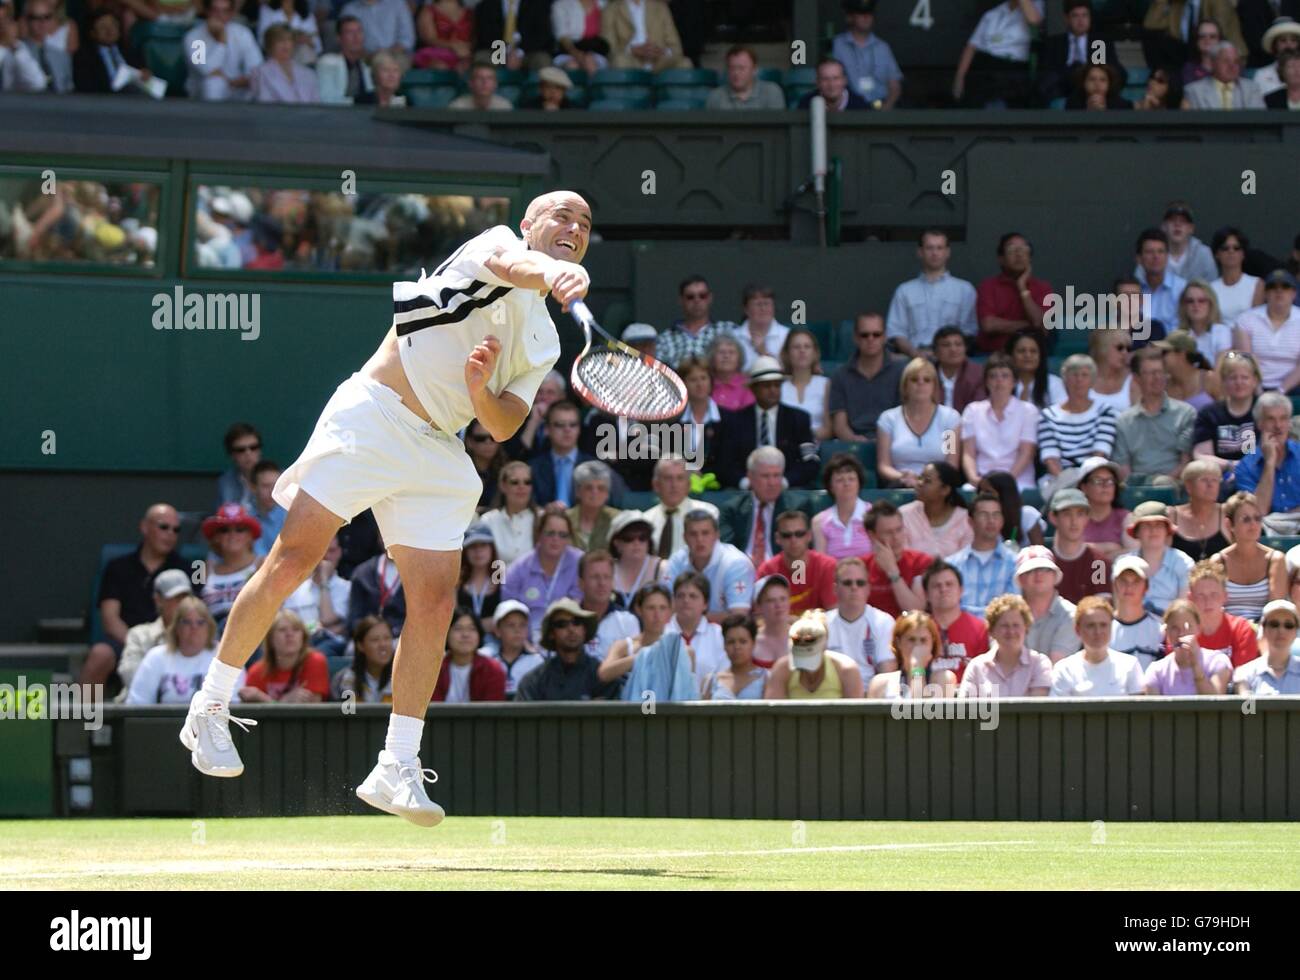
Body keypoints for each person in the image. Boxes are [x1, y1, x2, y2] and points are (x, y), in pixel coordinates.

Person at [178, 190, 594, 829]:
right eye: (561, 216)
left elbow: (507, 422)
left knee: (433, 602)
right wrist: (557, 272)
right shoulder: (493, 248)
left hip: (439, 449)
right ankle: (208, 707)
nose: (573, 227)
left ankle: (396, 763)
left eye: (584, 224)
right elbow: (520, 269)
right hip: (373, 416)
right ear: (527, 225)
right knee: (293, 560)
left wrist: (481, 394)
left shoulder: (541, 338)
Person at [81, 502, 189, 687]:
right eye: (164, 527)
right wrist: (138, 644)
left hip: (173, 640)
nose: (170, 534)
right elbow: (110, 619)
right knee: (100, 654)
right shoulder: (117, 566)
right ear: (144, 527)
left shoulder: (190, 567)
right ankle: (84, 716)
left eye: (176, 529)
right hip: (125, 640)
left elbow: (194, 610)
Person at [715, 359, 817, 490]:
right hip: (746, 491)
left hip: (788, 489)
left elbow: (810, 461)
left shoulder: (798, 418)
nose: (773, 390)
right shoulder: (735, 421)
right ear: (753, 389)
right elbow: (724, 463)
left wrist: (785, 481)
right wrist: (745, 483)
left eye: (777, 385)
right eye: (766, 386)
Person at [1111, 346, 1197, 486]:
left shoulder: (1185, 413)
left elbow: (1185, 462)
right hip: (1138, 490)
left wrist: (1160, 485)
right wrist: (1139, 489)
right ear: (1136, 378)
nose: (1157, 378)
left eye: (1160, 372)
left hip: (1175, 488)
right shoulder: (1124, 421)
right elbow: (1123, 466)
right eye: (1150, 373)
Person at [1037, 354, 1118, 500]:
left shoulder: (1105, 412)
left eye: (1084, 375)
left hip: (1094, 477)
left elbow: (1100, 454)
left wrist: (1085, 484)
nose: (1079, 380)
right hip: (1060, 479)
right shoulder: (1048, 415)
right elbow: (1051, 459)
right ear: (1064, 380)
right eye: (1074, 375)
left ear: (1092, 381)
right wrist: (1070, 485)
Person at [885, 229, 978, 355]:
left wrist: (945, 353)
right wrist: (915, 354)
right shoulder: (904, 291)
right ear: (920, 252)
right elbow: (896, 332)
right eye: (929, 248)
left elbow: (970, 331)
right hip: (912, 359)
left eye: (939, 248)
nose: (935, 253)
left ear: (947, 252)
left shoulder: (965, 290)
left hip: (952, 360)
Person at [128, 597, 234, 705]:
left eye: (200, 622)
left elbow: (234, 703)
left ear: (210, 626)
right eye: (187, 622)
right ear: (176, 627)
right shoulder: (156, 657)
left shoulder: (224, 657)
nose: (194, 627)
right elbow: (137, 703)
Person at [876, 357, 961, 489]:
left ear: (934, 386)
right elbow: (884, 466)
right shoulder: (888, 419)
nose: (921, 383)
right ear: (905, 386)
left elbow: (951, 464)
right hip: (901, 483)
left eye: (927, 380)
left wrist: (927, 481)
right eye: (914, 379)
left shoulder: (949, 418)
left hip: (938, 486)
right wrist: (902, 477)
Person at [501, 509, 584, 642]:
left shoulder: (580, 563)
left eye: (563, 535)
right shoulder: (517, 569)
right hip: (525, 640)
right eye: (550, 533)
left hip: (567, 637)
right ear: (539, 534)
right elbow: (508, 614)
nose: (556, 539)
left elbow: (580, 605)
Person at [515, 599, 620, 701]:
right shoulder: (534, 681)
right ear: (551, 633)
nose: (571, 629)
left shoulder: (602, 677)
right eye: (562, 624)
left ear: (584, 630)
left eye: (577, 622)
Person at [960, 353, 1038, 491]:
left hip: (1018, 480)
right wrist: (974, 479)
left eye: (1005, 375)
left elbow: (1026, 453)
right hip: (982, 480)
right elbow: (968, 453)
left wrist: (1006, 481)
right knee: (966, 491)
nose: (999, 380)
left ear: (1014, 381)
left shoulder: (1028, 411)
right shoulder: (972, 410)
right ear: (986, 381)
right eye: (993, 376)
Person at [663, 509, 755, 623]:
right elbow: (664, 607)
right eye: (693, 534)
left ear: (717, 535)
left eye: (705, 533)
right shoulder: (677, 561)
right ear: (685, 537)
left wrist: (691, 619)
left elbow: (739, 617)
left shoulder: (736, 563)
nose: (699, 540)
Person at [115, 569, 193, 700]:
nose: (181, 605)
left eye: (185, 598)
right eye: (175, 598)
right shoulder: (138, 635)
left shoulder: (202, 634)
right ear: (158, 600)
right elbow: (131, 676)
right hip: (142, 713)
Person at [1211, 491, 1289, 620]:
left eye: (1257, 518)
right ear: (1229, 525)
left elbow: (1275, 609)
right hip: (1229, 631)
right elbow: (1215, 608)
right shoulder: (1218, 561)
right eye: (1246, 519)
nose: (1253, 524)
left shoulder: (1276, 559)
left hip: (1264, 631)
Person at [953, 0, 1045, 109]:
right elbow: (971, 46)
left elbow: (1034, 20)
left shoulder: (1038, 5)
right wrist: (959, 78)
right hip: (986, 65)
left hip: (1013, 70)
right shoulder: (993, 14)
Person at [829, 312, 906, 442]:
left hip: (893, 441)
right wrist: (855, 440)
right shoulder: (840, 375)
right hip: (853, 444)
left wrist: (884, 441)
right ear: (855, 338)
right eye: (864, 335)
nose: (871, 339)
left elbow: (906, 417)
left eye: (876, 334)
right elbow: (840, 425)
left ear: (885, 337)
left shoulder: (901, 371)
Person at [959, 594, 1052, 697]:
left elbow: (1039, 709)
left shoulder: (1039, 664)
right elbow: (965, 710)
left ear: (1026, 628)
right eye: (1004, 626)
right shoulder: (977, 667)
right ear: (992, 630)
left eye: (1016, 625)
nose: (1011, 631)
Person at [1049, 596, 1145, 696]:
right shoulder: (1063, 669)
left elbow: (1140, 708)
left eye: (1103, 625)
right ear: (1077, 630)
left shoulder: (1130, 665)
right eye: (1091, 625)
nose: (1098, 631)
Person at [1192, 350, 1261, 486]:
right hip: (1219, 479)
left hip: (1257, 477)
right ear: (1223, 381)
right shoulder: (1209, 413)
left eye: (1245, 377)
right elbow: (1201, 455)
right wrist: (1231, 465)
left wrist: (1242, 470)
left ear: (1255, 381)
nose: (1239, 382)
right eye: (1233, 378)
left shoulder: (1265, 411)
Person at [824, 556, 895, 685]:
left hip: (872, 695)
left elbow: (887, 675)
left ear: (868, 589)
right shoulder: (823, 624)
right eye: (847, 583)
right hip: (833, 693)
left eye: (860, 583)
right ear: (835, 589)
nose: (854, 587)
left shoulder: (883, 622)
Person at [975, 234, 1051, 354]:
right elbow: (988, 325)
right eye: (1012, 250)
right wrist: (1029, 326)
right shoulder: (988, 286)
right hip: (996, 355)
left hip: (1031, 355)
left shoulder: (1043, 288)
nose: (1019, 254)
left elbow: (1041, 326)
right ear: (1001, 259)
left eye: (1023, 249)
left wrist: (1022, 288)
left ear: (1030, 257)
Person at [1235, 391, 1300, 532]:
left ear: (1289, 423)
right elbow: (1258, 511)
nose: (1278, 426)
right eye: (1271, 419)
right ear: (1260, 424)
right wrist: (1270, 462)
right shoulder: (1246, 466)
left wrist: (1285, 518)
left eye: (1283, 419)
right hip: (1265, 533)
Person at [1038, 0, 1123, 105]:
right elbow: (1047, 73)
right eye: (1075, 16)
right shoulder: (1055, 42)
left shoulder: (1099, 42)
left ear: (1090, 18)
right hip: (1062, 87)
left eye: (1084, 15)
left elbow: (1107, 69)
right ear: (1067, 19)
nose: (1080, 20)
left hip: (1090, 88)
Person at [764, 610, 864, 699]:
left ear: (825, 644)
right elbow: (772, 716)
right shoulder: (781, 669)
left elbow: (855, 717)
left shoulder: (846, 670)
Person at [948, 493, 1020, 615]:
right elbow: (950, 611)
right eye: (983, 515)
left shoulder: (1015, 563)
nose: (991, 520)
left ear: (1002, 520)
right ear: (971, 521)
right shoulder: (952, 565)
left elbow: (1012, 609)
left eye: (996, 515)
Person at [756, 510, 838, 615]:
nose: (793, 540)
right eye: (787, 535)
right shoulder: (767, 570)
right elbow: (759, 616)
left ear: (809, 536)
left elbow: (834, 614)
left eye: (799, 534)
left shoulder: (827, 566)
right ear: (778, 538)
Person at [281, 533, 351, 655]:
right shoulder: (297, 589)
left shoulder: (346, 587)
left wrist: (324, 579)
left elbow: (327, 619)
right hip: (298, 643)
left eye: (331, 551)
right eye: (321, 552)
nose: (326, 557)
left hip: (331, 644)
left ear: (339, 552)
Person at [1144, 599, 1232, 693]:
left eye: (1188, 627)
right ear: (1167, 632)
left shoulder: (1217, 661)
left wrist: (1195, 665)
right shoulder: (1156, 671)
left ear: (1198, 629)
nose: (1181, 633)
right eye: (1174, 628)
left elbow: (1215, 703)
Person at [1121, 501, 1194, 615]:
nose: (1153, 530)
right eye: (1146, 526)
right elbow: (1120, 607)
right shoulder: (1123, 564)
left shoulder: (1184, 562)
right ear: (1137, 532)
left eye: (1159, 525)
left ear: (1167, 530)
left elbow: (1184, 609)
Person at [1233, 270, 1300, 394]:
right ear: (1265, 293)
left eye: (1285, 287)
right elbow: (1246, 360)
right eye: (1272, 287)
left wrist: (1280, 391)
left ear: (1293, 293)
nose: (1279, 291)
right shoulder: (1246, 319)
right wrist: (1258, 390)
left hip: (1293, 387)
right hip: (1252, 386)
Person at [861, 500, 932, 618]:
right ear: (872, 535)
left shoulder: (920, 562)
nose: (896, 538)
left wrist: (893, 572)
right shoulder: (861, 566)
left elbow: (915, 612)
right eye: (888, 532)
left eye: (899, 529)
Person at [239, 610, 329, 702]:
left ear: (303, 637)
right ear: (270, 639)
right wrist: (285, 701)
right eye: (282, 630)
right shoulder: (256, 672)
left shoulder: (315, 661)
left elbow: (314, 707)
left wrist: (265, 700)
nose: (290, 634)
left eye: (296, 629)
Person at [200, 503, 262, 635]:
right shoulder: (200, 566)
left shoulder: (263, 563)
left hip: (253, 634)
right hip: (212, 637)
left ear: (250, 536)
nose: (232, 535)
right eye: (224, 530)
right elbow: (192, 604)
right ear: (216, 537)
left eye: (239, 529)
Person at [597, 583, 675, 687]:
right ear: (639, 610)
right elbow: (604, 673)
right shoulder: (623, 646)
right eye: (651, 608)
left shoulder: (678, 648)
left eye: (662, 608)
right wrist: (641, 657)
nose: (657, 615)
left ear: (670, 612)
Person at [922, 561, 989, 681]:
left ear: (961, 590)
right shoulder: (918, 630)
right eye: (936, 585)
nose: (943, 589)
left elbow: (985, 675)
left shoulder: (980, 628)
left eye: (949, 584)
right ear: (926, 594)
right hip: (926, 694)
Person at [182, 0, 262, 101]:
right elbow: (207, 71)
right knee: (214, 82)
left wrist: (245, 79)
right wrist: (221, 41)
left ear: (232, 13)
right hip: (201, 94)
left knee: (258, 81)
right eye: (215, 10)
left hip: (236, 88)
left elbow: (256, 66)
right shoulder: (193, 37)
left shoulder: (242, 33)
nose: (220, 15)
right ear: (207, 11)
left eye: (225, 11)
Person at [866, 611, 956, 698]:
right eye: (911, 640)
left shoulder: (944, 680)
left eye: (923, 640)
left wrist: (917, 668)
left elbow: (919, 711)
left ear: (932, 643)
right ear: (898, 642)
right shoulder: (880, 684)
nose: (917, 646)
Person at [644, 455, 719, 560]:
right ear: (656, 485)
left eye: (680, 478)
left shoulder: (708, 513)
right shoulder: (645, 520)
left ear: (689, 485)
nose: (674, 485)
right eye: (668, 478)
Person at [1188, 559, 1259, 668]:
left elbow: (1243, 675)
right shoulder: (1183, 631)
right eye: (1200, 595)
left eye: (1214, 594)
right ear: (1191, 598)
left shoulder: (1241, 629)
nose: (1208, 601)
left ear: (1225, 596)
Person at [831, 0, 901, 108]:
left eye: (869, 14)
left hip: (879, 106)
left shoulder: (882, 47)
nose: (866, 18)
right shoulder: (838, 44)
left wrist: (886, 108)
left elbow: (894, 85)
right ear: (850, 17)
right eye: (861, 13)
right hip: (849, 108)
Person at [1017, 545, 1081, 662]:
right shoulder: (1007, 614)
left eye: (1045, 569)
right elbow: (1002, 658)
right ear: (1021, 579)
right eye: (1030, 570)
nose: (1038, 574)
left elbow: (1057, 664)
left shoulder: (1071, 614)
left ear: (1054, 575)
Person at [1048, 488, 1111, 603]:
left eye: (1080, 514)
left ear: (1087, 518)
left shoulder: (1098, 563)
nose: (1074, 521)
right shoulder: (1045, 562)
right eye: (1067, 514)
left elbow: (1102, 607)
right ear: (1053, 517)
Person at [656, 276, 734, 369]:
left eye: (702, 296)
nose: (697, 300)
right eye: (690, 297)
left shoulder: (728, 330)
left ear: (710, 298)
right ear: (681, 300)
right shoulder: (665, 339)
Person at [664, 571, 726, 686]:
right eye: (680, 595)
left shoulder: (719, 635)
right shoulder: (661, 633)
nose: (686, 600)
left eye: (693, 596)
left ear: (705, 604)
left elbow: (725, 678)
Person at [1143, 0, 1248, 68]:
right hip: (1189, 56)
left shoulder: (1218, 2)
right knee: (1153, 37)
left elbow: (1217, 35)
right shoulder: (1178, 4)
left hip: (1223, 54)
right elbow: (1151, 25)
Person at [576, 549, 639, 662]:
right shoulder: (568, 620)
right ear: (581, 583)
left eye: (606, 577)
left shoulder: (627, 621)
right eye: (595, 577)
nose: (602, 583)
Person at [431, 607, 506, 702]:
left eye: (472, 629)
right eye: (458, 628)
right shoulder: (434, 670)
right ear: (446, 633)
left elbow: (493, 712)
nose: (465, 634)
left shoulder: (493, 670)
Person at [899, 462, 974, 556]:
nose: (919, 483)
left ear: (945, 490)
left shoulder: (966, 519)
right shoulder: (904, 515)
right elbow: (904, 559)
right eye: (920, 478)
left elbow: (966, 562)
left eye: (927, 481)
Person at [72, 9, 151, 94]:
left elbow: (144, 76)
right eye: (102, 27)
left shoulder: (132, 52)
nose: (109, 30)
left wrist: (145, 76)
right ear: (93, 33)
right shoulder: (84, 57)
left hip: (134, 101)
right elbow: (85, 87)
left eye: (113, 25)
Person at [812, 452, 874, 560]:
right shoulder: (819, 521)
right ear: (831, 487)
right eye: (840, 480)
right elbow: (821, 564)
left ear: (859, 483)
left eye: (851, 479)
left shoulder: (874, 514)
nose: (846, 484)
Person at [1108, 554, 1165, 670]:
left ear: (1146, 586)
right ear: (1114, 584)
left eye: (1136, 581)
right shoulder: (1103, 628)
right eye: (1123, 580)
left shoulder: (1160, 629)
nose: (1129, 587)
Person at [1232, 598, 1300, 693]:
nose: (1281, 630)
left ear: (1295, 631)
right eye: (1274, 624)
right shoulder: (1245, 674)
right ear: (1263, 628)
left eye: (1288, 625)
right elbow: (1248, 707)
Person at [601, 0, 690, 71]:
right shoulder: (611, 9)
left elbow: (676, 48)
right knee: (620, 62)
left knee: (684, 63)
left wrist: (662, 51)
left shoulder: (660, 7)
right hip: (630, 61)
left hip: (659, 61)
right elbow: (609, 47)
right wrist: (632, 50)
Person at [481, 460, 539, 565]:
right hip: (498, 579)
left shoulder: (542, 518)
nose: (522, 487)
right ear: (503, 486)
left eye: (527, 482)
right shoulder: (488, 521)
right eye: (514, 482)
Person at [1171, 459, 1230, 562]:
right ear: (1189, 486)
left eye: (1215, 480)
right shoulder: (1172, 515)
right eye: (1204, 480)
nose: (1210, 485)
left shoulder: (1227, 513)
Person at [1077, 458, 1134, 562]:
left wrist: (1092, 553)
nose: (1105, 485)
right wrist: (1111, 547)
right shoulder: (1075, 517)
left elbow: (1133, 554)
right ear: (1083, 487)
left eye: (1110, 480)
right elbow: (1070, 552)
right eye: (1098, 480)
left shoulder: (1125, 517)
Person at [779, 328, 831, 440]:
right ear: (787, 353)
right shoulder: (779, 387)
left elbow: (829, 430)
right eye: (796, 347)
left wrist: (805, 435)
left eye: (807, 346)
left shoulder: (826, 384)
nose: (802, 350)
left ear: (815, 353)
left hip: (817, 447)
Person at [486, 600, 544, 699]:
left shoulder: (537, 662)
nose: (517, 630)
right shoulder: (486, 659)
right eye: (511, 625)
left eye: (522, 625)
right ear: (497, 631)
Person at [1134, 229, 1188, 333]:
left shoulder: (1182, 289)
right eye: (1149, 252)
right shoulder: (1133, 290)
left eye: (1161, 251)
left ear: (1167, 257)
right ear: (1139, 258)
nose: (1156, 257)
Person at [606, 510, 663, 609]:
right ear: (616, 543)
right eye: (629, 538)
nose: (636, 543)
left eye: (642, 538)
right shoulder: (605, 568)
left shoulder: (662, 569)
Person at [702, 614, 768, 699]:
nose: (737, 647)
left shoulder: (766, 678)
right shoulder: (711, 681)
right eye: (731, 642)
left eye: (743, 641)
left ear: (753, 643)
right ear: (724, 645)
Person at [347, 545, 406, 639]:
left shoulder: (419, 574)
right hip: (368, 637)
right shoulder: (363, 573)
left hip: (403, 638)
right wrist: (369, 633)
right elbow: (354, 618)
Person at [331, 615, 395, 702]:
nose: (383, 645)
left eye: (387, 638)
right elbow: (348, 713)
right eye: (375, 640)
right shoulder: (347, 680)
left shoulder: (403, 679)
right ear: (360, 645)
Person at [250, 21, 318, 101]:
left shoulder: (309, 74)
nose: (286, 44)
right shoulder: (260, 72)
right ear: (270, 44)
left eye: (289, 40)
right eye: (280, 40)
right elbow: (265, 104)